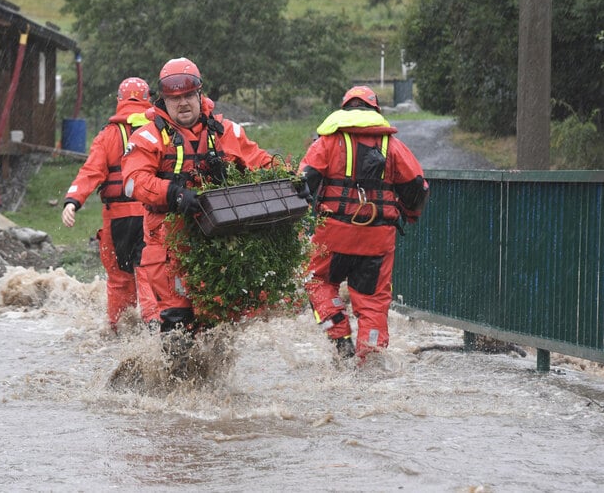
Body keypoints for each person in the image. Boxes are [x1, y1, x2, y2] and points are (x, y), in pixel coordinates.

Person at [122, 57, 275, 334]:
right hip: (168, 245)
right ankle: (173, 374)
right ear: (163, 100)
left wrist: (294, 179)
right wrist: (175, 194)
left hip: (216, 241)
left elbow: (261, 162)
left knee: (215, 326)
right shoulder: (148, 138)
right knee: (178, 324)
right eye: (175, 97)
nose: (183, 103)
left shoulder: (225, 131)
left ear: (200, 94)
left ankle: (207, 377)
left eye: (189, 95)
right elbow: (134, 182)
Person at [299, 85, 429, 361]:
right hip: (377, 239)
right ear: (376, 112)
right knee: (373, 302)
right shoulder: (393, 146)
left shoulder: (326, 142)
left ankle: (339, 336)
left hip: (333, 235)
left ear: (344, 110)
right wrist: (411, 214)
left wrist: (298, 221)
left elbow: (302, 183)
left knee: (315, 281)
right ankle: (369, 359)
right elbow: (418, 187)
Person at [61, 77, 158, 329]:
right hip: (151, 216)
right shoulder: (158, 131)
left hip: (116, 222)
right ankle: (156, 329)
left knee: (118, 281)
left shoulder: (106, 136)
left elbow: (90, 172)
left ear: (119, 101)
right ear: (148, 100)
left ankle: (118, 333)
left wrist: (72, 201)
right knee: (149, 273)